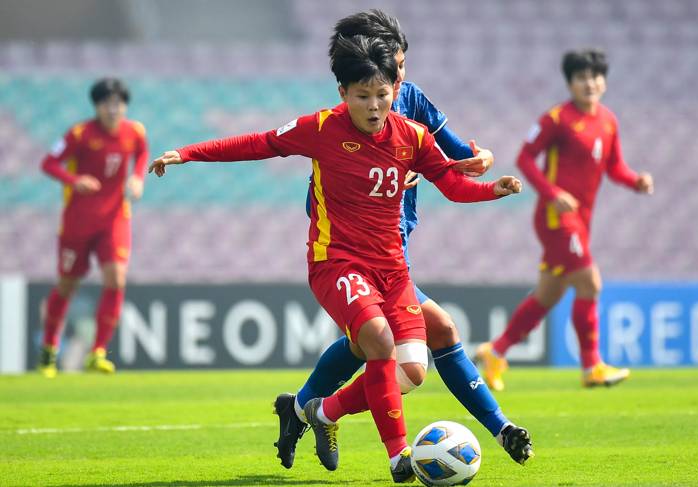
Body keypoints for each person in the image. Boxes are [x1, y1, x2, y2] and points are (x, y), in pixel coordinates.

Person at [150, 35, 521, 482]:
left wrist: (490, 191)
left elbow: (451, 182)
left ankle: (317, 411)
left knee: (413, 372)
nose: (374, 105)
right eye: (363, 96)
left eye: (382, 95)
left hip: (392, 269)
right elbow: (260, 143)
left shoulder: (413, 134)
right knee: (379, 342)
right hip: (337, 262)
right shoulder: (322, 128)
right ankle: (398, 456)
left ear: (394, 91)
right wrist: (187, 153)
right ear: (343, 93)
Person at [275, 9, 533, 472]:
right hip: (360, 254)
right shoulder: (348, 117)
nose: (397, 77)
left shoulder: (412, 101)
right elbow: (327, 197)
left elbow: (458, 159)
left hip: (397, 248)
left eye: (400, 66)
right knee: (413, 348)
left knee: (368, 346)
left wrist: (481, 159)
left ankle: (302, 409)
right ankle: (495, 427)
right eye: (392, 63)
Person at [475, 49, 654, 390]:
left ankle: (495, 351)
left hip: (581, 220)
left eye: (595, 76)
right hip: (556, 218)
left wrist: (637, 181)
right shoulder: (556, 119)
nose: (589, 83)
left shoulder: (608, 120)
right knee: (590, 283)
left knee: (549, 294)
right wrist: (552, 193)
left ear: (603, 81)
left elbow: (614, 167)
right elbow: (524, 159)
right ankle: (591, 367)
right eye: (581, 77)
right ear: (570, 83)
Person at [38, 78, 148, 378]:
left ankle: (97, 351)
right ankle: (49, 348)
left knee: (116, 278)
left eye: (118, 103)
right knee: (67, 284)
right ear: (96, 106)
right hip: (78, 222)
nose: (113, 110)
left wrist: (138, 178)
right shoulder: (79, 134)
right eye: (107, 104)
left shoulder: (134, 132)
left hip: (114, 218)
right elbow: (48, 163)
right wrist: (75, 181)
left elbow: (141, 155)